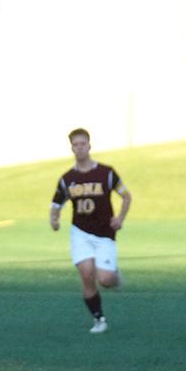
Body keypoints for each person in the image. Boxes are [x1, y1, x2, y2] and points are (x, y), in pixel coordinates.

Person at [50, 128, 132, 334]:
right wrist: (54, 219)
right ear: (71, 148)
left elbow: (126, 196)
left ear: (89, 145)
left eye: (83, 144)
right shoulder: (67, 179)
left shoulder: (106, 173)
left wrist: (120, 218)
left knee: (105, 280)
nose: (79, 148)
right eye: (75, 145)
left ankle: (115, 276)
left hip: (104, 233)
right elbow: (57, 203)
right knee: (87, 274)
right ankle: (99, 319)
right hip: (80, 233)